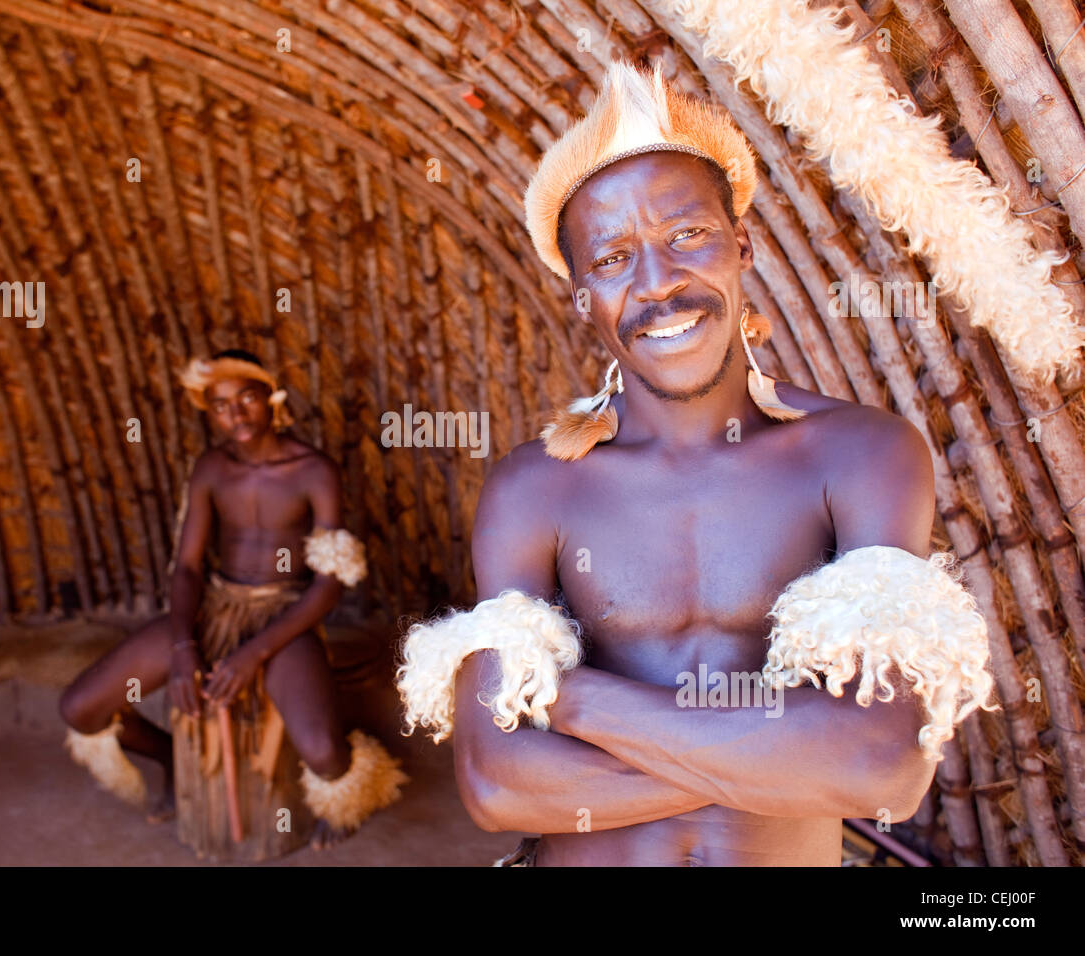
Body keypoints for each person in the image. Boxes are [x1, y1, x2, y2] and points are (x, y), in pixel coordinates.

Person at [397, 62, 995, 866]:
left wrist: (575, 699)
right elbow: (498, 786)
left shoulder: (861, 457)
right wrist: (788, 759)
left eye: (687, 236)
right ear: (582, 299)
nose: (659, 285)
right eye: (611, 261)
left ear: (740, 246)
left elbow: (882, 767)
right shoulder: (534, 488)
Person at [61, 349, 405, 850]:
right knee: (82, 707)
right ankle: (170, 762)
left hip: (285, 615)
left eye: (246, 399)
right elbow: (187, 568)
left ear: (273, 399)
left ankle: (348, 801)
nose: (235, 415)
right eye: (220, 406)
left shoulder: (313, 470)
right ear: (209, 413)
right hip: (214, 607)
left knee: (324, 751)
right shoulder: (212, 469)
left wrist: (255, 652)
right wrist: (183, 648)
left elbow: (330, 582)